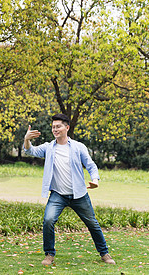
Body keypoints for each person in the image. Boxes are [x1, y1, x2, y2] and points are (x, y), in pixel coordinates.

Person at [23, 113, 116, 266]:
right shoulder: (48, 148)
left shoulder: (78, 147)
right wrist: (26, 139)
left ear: (67, 127)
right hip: (58, 195)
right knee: (48, 220)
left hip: (79, 194)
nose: (55, 129)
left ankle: (104, 253)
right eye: (53, 127)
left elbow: (91, 165)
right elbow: (30, 150)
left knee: (92, 223)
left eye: (58, 126)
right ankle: (49, 254)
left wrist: (95, 180)